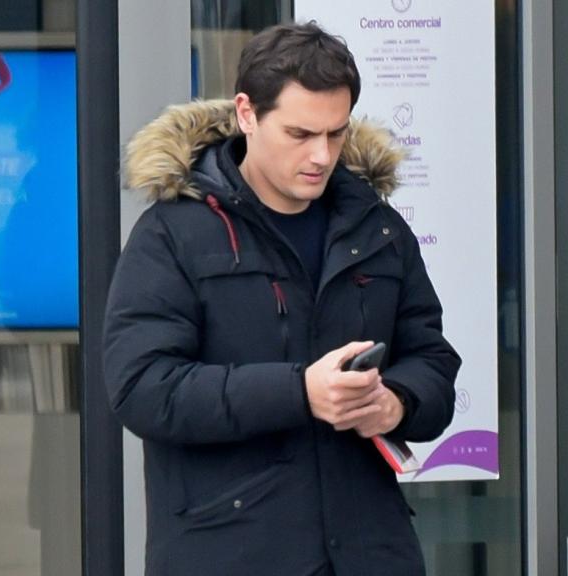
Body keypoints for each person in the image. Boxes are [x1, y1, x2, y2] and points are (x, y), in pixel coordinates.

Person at [104, 22, 460, 576]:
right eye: (300, 134)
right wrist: (299, 392)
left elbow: (433, 360)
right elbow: (142, 388)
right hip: (230, 551)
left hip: (370, 548)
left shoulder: (378, 228)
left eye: (336, 134)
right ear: (247, 113)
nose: (321, 155)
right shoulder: (172, 233)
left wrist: (398, 402)